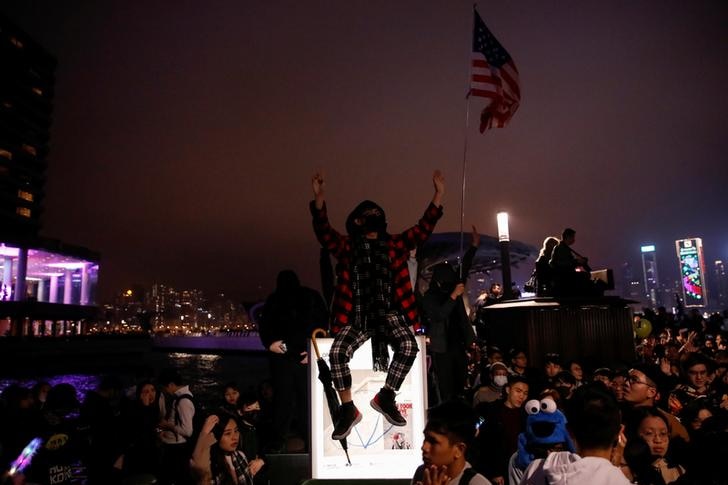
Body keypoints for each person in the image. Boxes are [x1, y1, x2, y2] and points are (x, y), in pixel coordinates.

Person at [310, 170, 445, 440]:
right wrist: (320, 200)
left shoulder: (394, 244)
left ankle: (386, 396)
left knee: (408, 345)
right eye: (367, 214)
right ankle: (348, 409)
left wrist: (438, 195)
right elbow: (325, 234)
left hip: (390, 313)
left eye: (376, 213)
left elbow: (422, 229)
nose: (373, 217)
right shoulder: (348, 247)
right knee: (337, 354)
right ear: (357, 221)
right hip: (357, 316)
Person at [259, 270, 328, 452]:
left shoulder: (274, 299)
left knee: (283, 401)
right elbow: (323, 322)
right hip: (305, 357)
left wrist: (273, 345)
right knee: (307, 400)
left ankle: (279, 440)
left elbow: (265, 326)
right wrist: (312, 350)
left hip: (283, 360)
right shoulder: (312, 295)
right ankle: (310, 439)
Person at [518, 383, 630, 485]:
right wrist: (614, 468)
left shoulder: (535, 470)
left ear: (568, 431)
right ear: (619, 432)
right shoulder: (620, 480)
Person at [422, 225, 479, 403]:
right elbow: (439, 315)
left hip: (459, 346)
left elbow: (465, 266)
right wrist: (453, 296)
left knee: (460, 384)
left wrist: (474, 247)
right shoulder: (430, 297)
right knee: (445, 387)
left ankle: (460, 411)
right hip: (442, 349)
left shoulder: (454, 285)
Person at [412, 400, 492, 485]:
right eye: (425, 438)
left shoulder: (477, 483)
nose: (424, 447)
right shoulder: (422, 473)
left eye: (433, 442)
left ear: (459, 449)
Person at [474, 376, 529, 485]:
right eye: (518, 391)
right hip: (496, 471)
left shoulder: (526, 415)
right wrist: (493, 472)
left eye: (525, 393)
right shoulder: (489, 410)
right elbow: (483, 443)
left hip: (519, 470)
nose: (522, 396)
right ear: (508, 390)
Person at [190, 412, 264, 485]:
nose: (235, 437)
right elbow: (200, 470)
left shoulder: (240, 456)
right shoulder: (211, 464)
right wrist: (204, 434)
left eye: (236, 431)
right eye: (227, 433)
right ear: (215, 436)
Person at [158, 369, 195, 485]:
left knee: (174, 478)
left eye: (164, 388)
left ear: (171, 385)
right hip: (175, 446)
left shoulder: (183, 401)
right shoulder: (183, 397)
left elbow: (188, 431)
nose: (164, 391)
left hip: (176, 448)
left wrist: (168, 425)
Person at [549, 228, 591, 297]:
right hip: (565, 278)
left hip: (564, 277)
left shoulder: (563, 247)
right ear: (568, 237)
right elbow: (561, 263)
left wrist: (578, 262)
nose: (574, 239)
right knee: (585, 276)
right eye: (573, 237)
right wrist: (577, 261)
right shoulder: (561, 248)